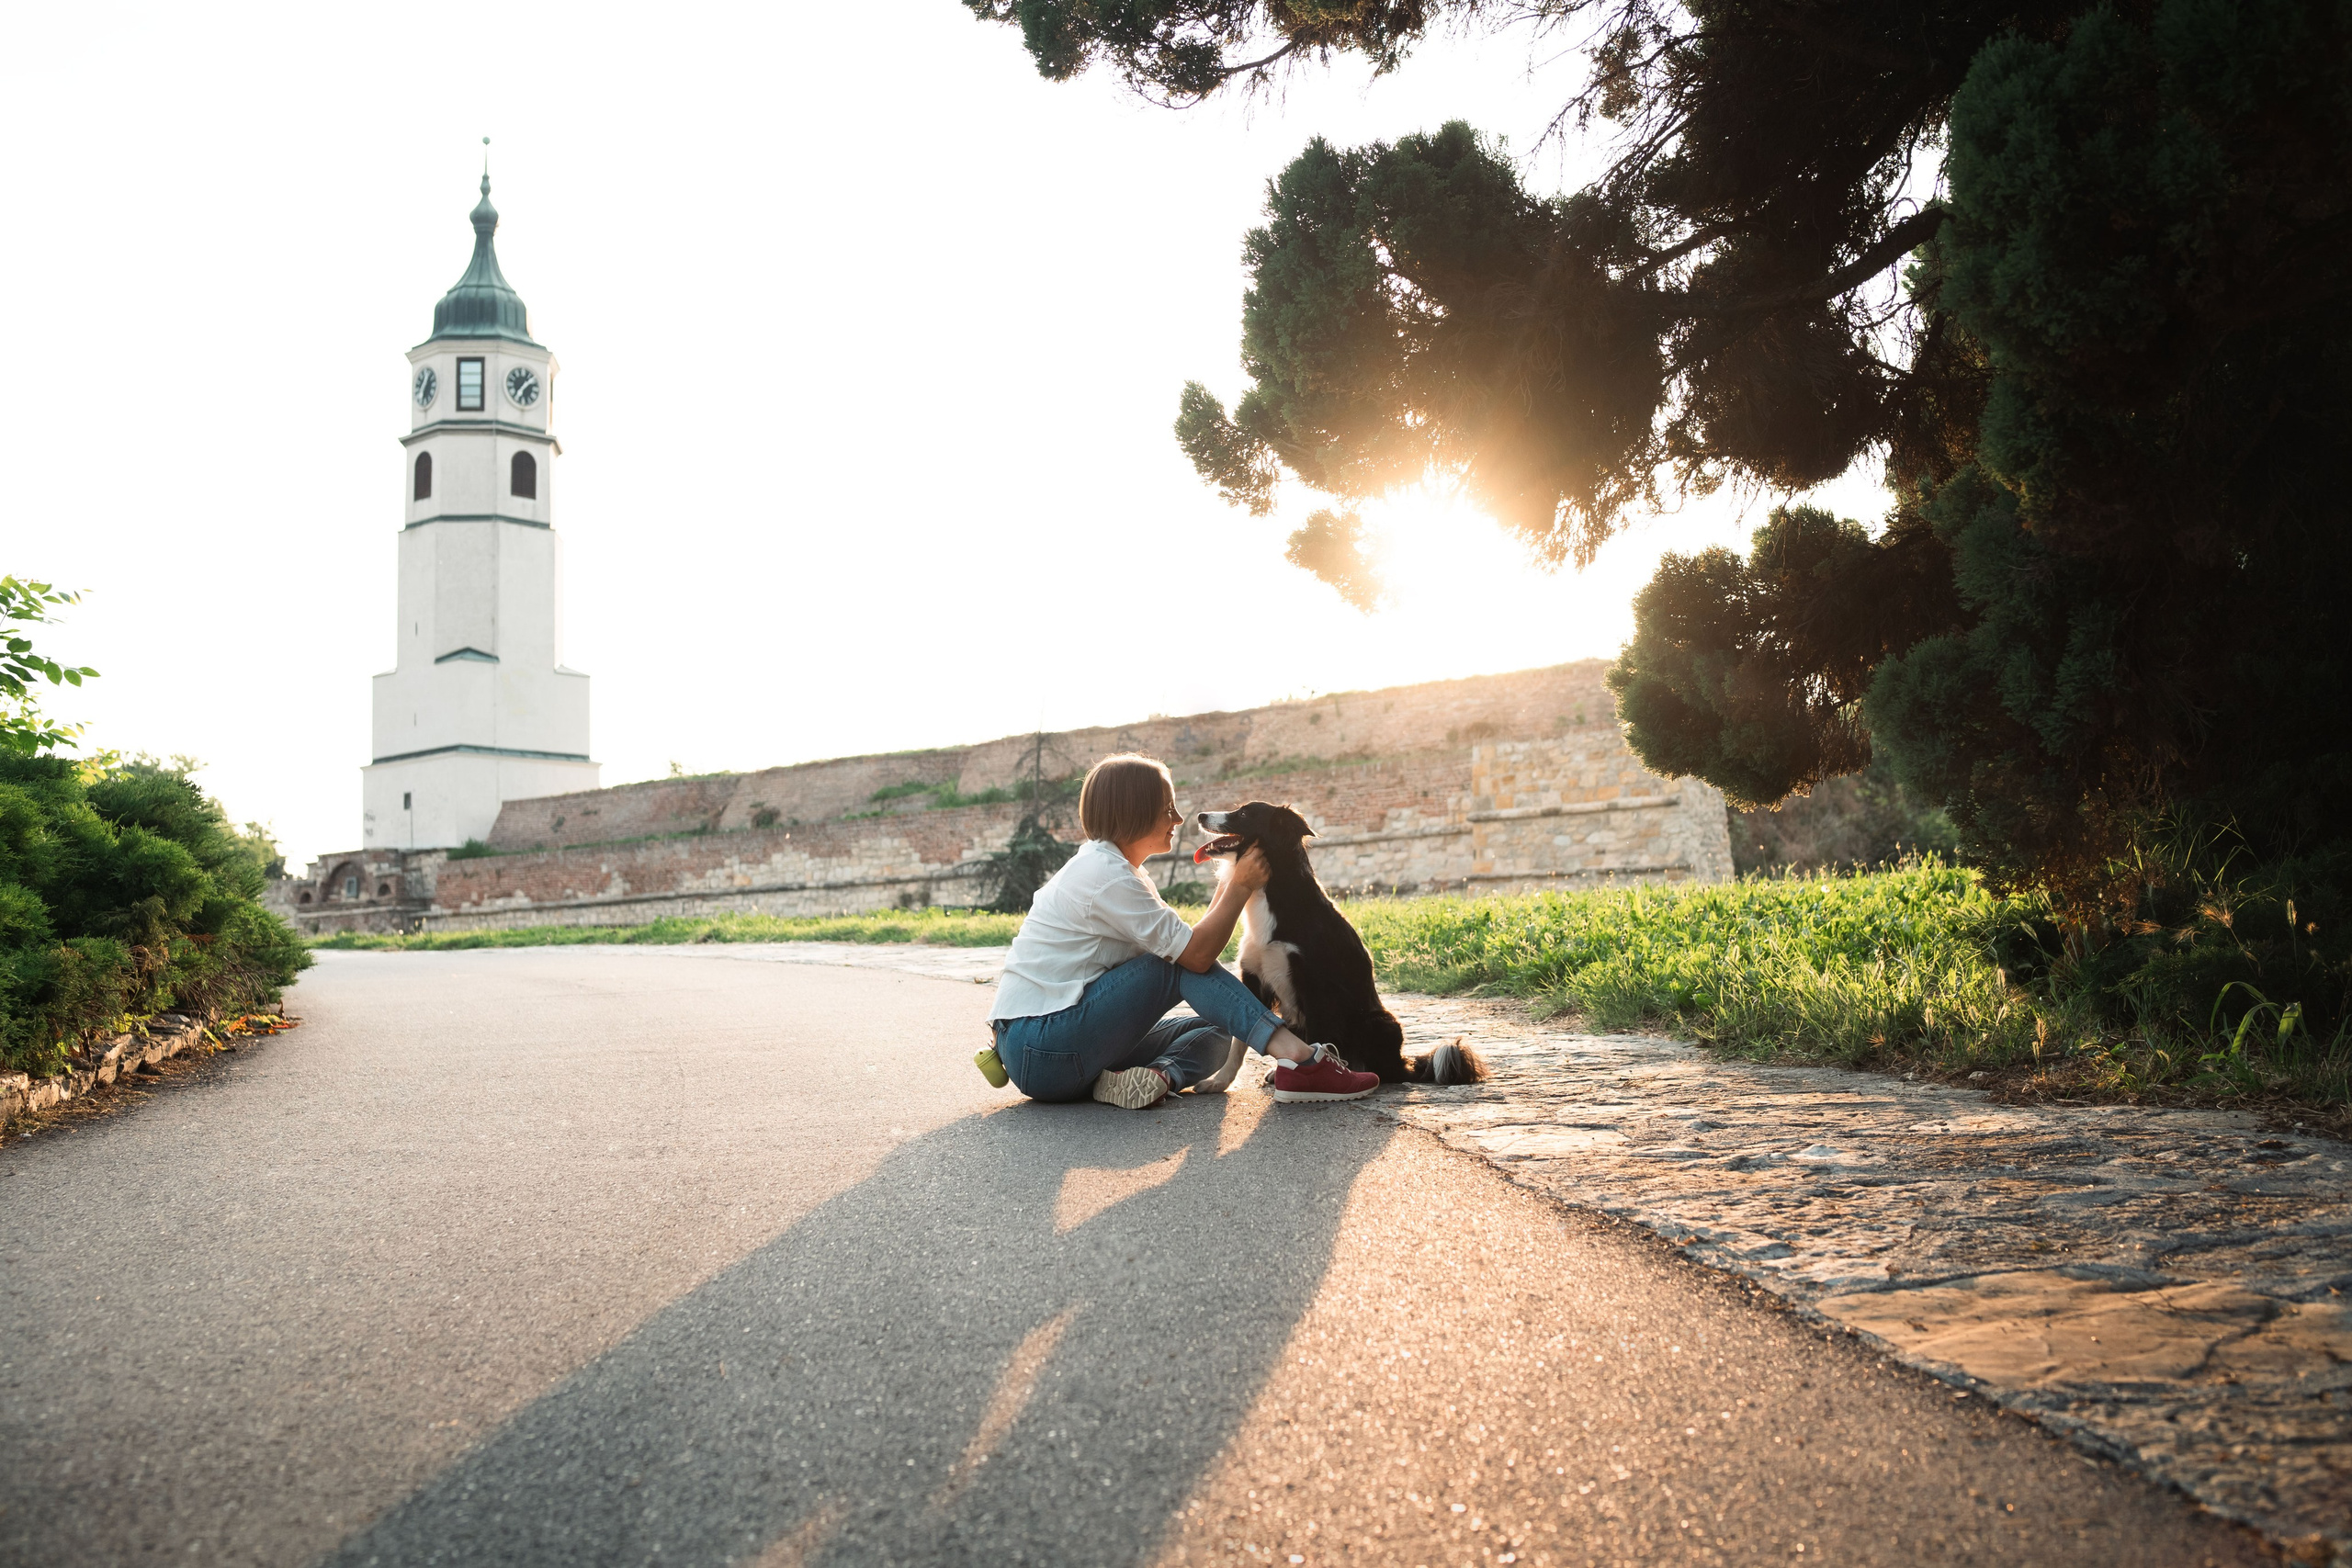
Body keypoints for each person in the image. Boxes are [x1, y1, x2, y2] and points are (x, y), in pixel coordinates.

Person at [987, 753, 1381, 1109]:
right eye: (1168, 809)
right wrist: (1240, 885)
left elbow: (1193, 943)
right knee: (1179, 964)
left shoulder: (1114, 870)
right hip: (1043, 1047)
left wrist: (1233, 879)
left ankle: (1157, 1077)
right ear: (1135, 811)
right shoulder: (1107, 877)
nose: (1177, 819)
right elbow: (1193, 956)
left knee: (1223, 1025)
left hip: (1052, 1049)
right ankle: (1302, 1060)